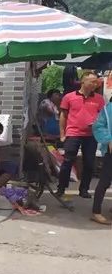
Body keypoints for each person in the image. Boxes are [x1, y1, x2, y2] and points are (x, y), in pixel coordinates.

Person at [54, 71, 105, 199]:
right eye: (92, 81)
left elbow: (103, 117)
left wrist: (97, 124)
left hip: (91, 135)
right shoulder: (69, 97)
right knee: (68, 161)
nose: (95, 84)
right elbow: (63, 116)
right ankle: (61, 187)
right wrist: (62, 134)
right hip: (73, 133)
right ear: (83, 81)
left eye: (96, 82)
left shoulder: (99, 99)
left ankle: (84, 189)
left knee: (89, 163)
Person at [90, 96, 112, 225]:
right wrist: (108, 139)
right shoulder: (108, 110)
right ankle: (96, 212)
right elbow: (97, 126)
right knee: (105, 181)